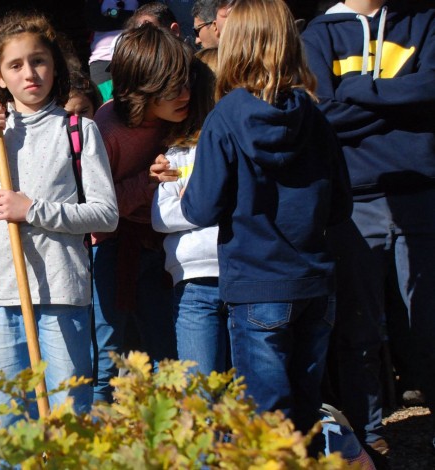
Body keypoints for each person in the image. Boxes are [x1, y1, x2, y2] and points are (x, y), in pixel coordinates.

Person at [180, 0, 352, 441]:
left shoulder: (225, 117)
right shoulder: (314, 114)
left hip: (256, 286)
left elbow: (200, 209)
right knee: (305, 416)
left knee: (264, 424)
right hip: (314, 283)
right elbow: (340, 206)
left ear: (235, 44)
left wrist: (185, 188)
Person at [0, 12, 118, 427]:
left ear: (54, 64)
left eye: (39, 60)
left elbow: (106, 215)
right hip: (4, 295)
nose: (30, 73)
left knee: (67, 415)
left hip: (63, 294)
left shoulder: (79, 130)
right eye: (16, 65)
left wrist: (33, 211)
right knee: (12, 422)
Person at [301, 0, 435, 459]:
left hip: (420, 193)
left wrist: (357, 90)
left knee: (428, 321)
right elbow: (321, 115)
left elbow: (432, 88)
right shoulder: (320, 34)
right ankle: (368, 432)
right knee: (358, 325)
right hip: (354, 200)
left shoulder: (425, 20)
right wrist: (402, 102)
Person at [91, 23, 193, 403]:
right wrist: (147, 182)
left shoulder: (184, 116)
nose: (184, 94)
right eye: (172, 87)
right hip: (113, 247)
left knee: (165, 351)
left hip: (163, 245)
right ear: (141, 87)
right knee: (106, 352)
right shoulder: (108, 127)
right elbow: (97, 205)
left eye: (187, 82)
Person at [151, 55, 222, 376]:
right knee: (199, 386)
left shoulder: (232, 147)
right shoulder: (175, 154)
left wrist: (193, 200)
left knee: (240, 390)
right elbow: (161, 218)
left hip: (238, 275)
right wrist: (211, 203)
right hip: (191, 281)